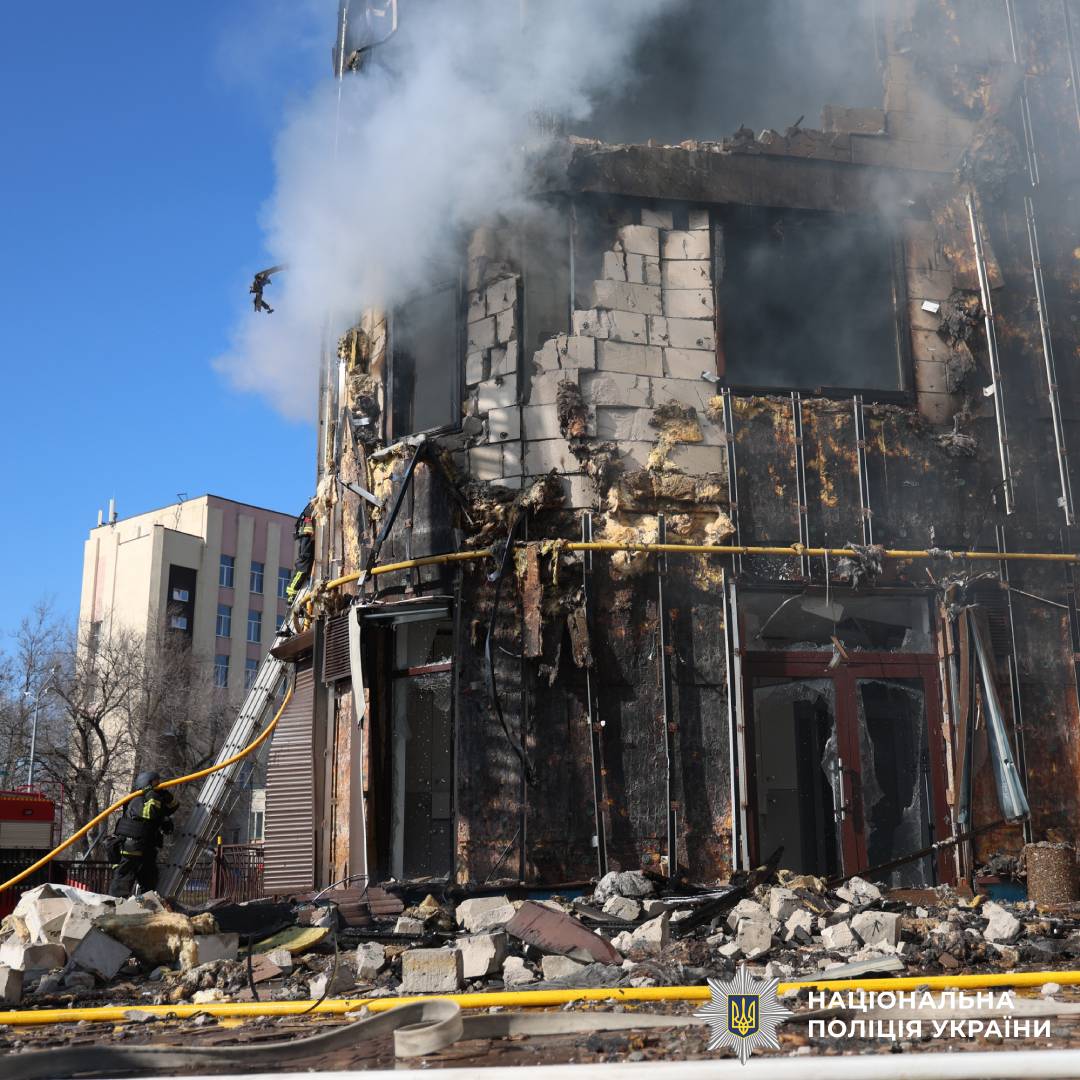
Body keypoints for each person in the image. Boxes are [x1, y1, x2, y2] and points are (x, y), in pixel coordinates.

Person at [107, 771, 178, 898]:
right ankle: (114, 909)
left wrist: (165, 795)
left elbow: (174, 806)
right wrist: (152, 794)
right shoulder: (137, 799)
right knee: (122, 883)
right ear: (146, 783)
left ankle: (144, 911)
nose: (159, 785)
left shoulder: (153, 799)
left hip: (147, 850)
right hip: (132, 850)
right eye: (155, 783)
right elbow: (149, 813)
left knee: (149, 884)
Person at [285, 499, 316, 605]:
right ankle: (291, 593)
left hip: (306, 535)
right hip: (306, 535)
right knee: (304, 563)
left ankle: (291, 593)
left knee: (306, 560)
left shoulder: (310, 509)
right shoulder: (311, 507)